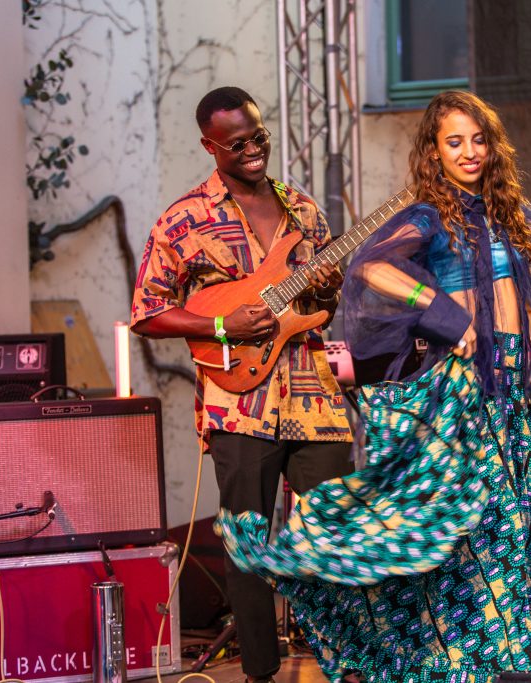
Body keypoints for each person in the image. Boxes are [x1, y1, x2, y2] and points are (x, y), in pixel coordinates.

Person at [217, 90, 531, 681]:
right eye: (455, 141)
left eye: (478, 139)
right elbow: (371, 267)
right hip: (464, 399)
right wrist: (447, 317)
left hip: (514, 396)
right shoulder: (428, 214)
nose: (470, 152)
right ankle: (477, 664)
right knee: (478, 537)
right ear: (435, 150)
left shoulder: (506, 212)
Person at [131, 86, 354, 683]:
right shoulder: (184, 219)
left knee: (337, 534)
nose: (254, 149)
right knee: (248, 544)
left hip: (313, 395)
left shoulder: (303, 209)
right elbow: (148, 313)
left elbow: (322, 302)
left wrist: (329, 286)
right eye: (239, 142)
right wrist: (222, 323)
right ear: (210, 145)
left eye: (259, 135)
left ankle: (347, 663)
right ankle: (260, 669)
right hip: (238, 402)